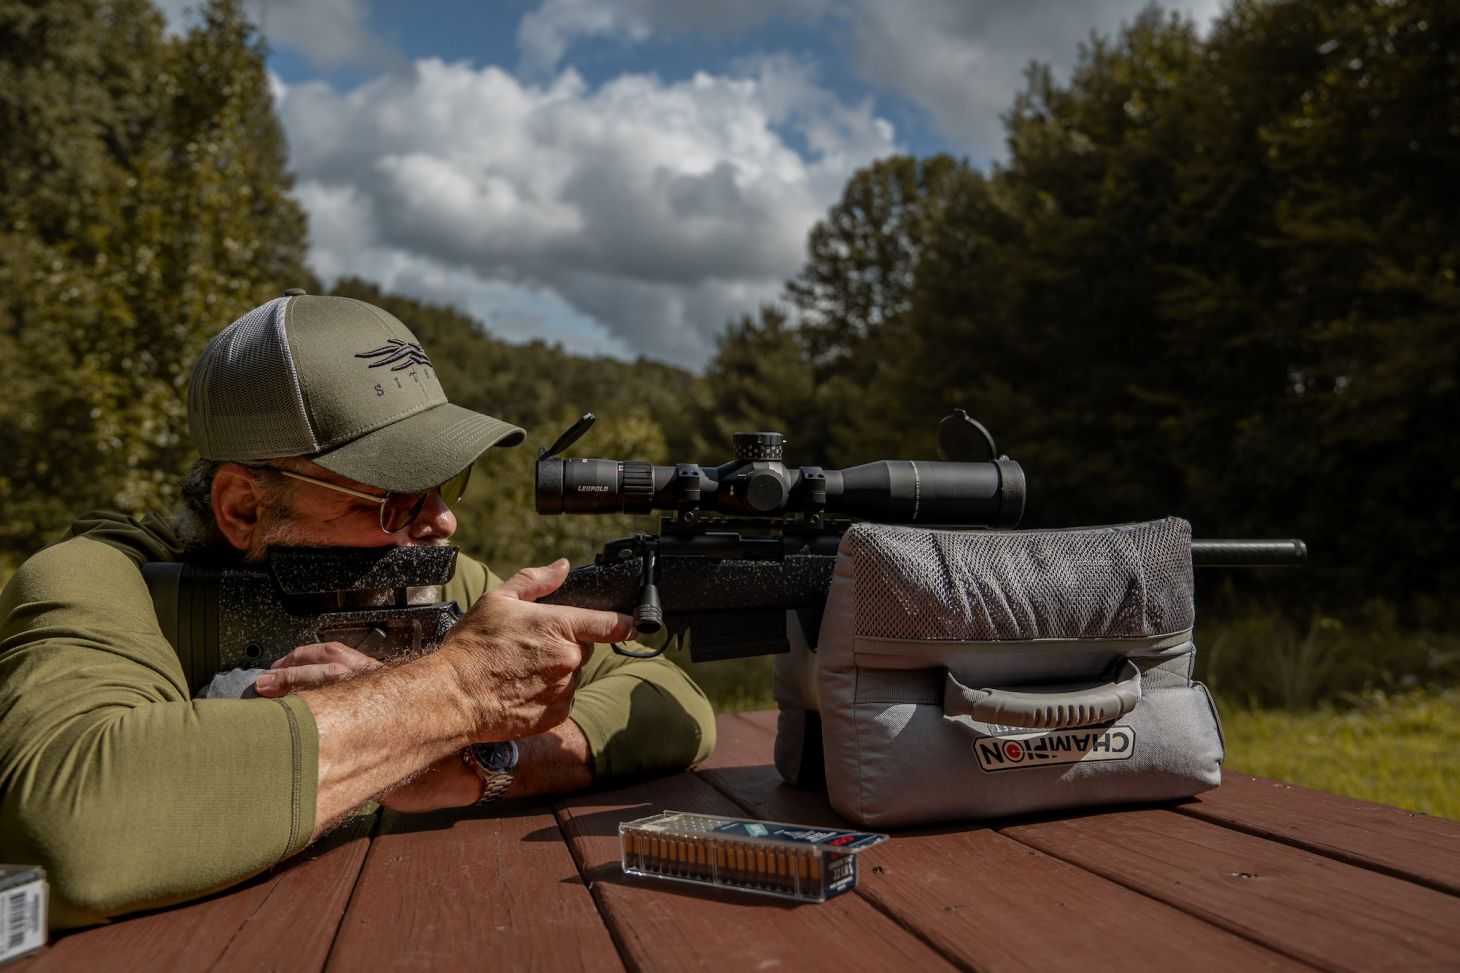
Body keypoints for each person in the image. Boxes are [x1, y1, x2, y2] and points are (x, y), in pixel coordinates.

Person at [0, 292, 717, 929]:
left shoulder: (420, 579)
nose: (443, 524)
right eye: (397, 498)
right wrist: (450, 696)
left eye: (445, 484)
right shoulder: (95, 578)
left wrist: (491, 761)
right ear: (243, 507)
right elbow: (71, 828)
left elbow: (671, 700)